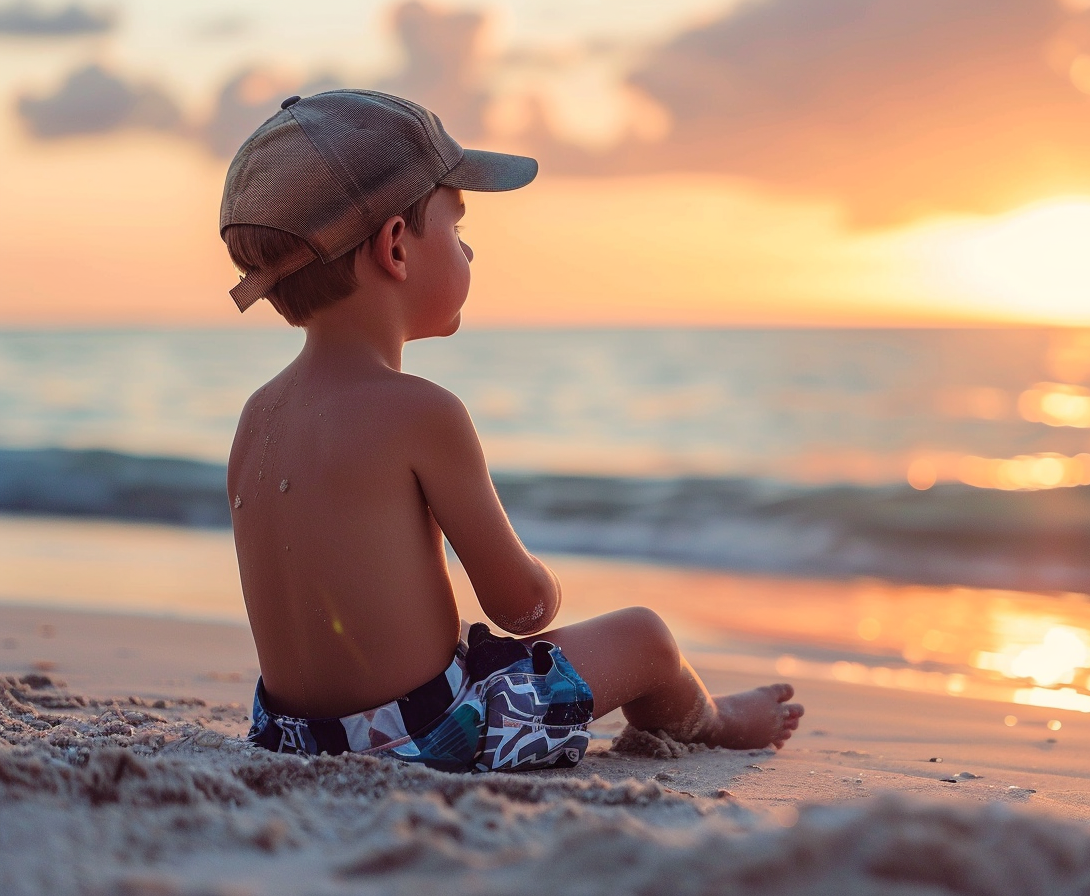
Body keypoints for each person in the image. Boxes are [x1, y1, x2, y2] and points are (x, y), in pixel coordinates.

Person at [220, 89, 803, 772]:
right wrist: (544, 588)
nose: (470, 252)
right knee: (646, 637)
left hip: (289, 738)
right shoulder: (423, 412)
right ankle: (713, 719)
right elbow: (519, 608)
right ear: (397, 248)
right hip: (431, 736)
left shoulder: (256, 416)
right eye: (459, 230)